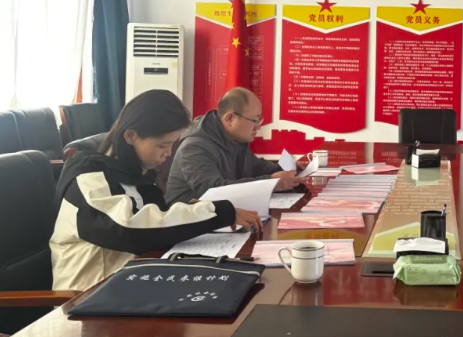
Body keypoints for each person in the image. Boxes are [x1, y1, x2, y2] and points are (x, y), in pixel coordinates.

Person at [51, 90, 263, 292]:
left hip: (133, 283)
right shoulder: (89, 177)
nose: (168, 153)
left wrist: (191, 209)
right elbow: (128, 227)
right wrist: (216, 212)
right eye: (163, 145)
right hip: (87, 298)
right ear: (131, 136)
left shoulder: (136, 176)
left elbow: (154, 218)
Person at [166, 87, 304, 204]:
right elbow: (213, 191)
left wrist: (289, 169)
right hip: (191, 221)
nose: (258, 127)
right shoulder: (194, 148)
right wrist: (272, 183)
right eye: (255, 120)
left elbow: (255, 166)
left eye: (259, 120)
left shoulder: (234, 138)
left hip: (224, 215)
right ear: (230, 119)